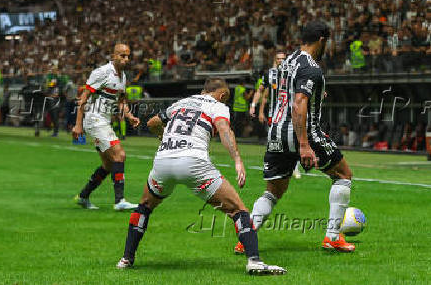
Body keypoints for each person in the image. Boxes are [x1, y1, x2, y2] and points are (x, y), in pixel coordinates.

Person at [116, 77, 286, 275]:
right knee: (238, 210)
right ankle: (254, 261)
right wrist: (238, 160)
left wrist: (164, 138)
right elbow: (224, 130)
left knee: (145, 206)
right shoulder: (218, 106)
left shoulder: (182, 103)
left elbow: (153, 122)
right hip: (194, 162)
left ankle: (126, 258)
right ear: (222, 95)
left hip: (163, 161)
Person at [236, 21, 355, 254]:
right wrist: (304, 145)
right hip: (304, 134)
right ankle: (332, 236)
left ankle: (246, 239)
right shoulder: (311, 67)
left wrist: (318, 92)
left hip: (276, 135)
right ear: (322, 40)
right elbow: (299, 104)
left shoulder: (287, 61)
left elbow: (291, 92)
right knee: (343, 175)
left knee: (273, 191)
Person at [72, 43, 140, 211]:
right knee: (119, 155)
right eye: (122, 55)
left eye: (128, 56)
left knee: (109, 165)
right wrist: (78, 125)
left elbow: (121, 102)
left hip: (104, 121)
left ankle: (83, 196)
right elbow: (84, 98)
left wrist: (129, 116)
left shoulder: (122, 77)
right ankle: (119, 201)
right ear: (113, 56)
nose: (126, 59)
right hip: (95, 120)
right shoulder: (101, 73)